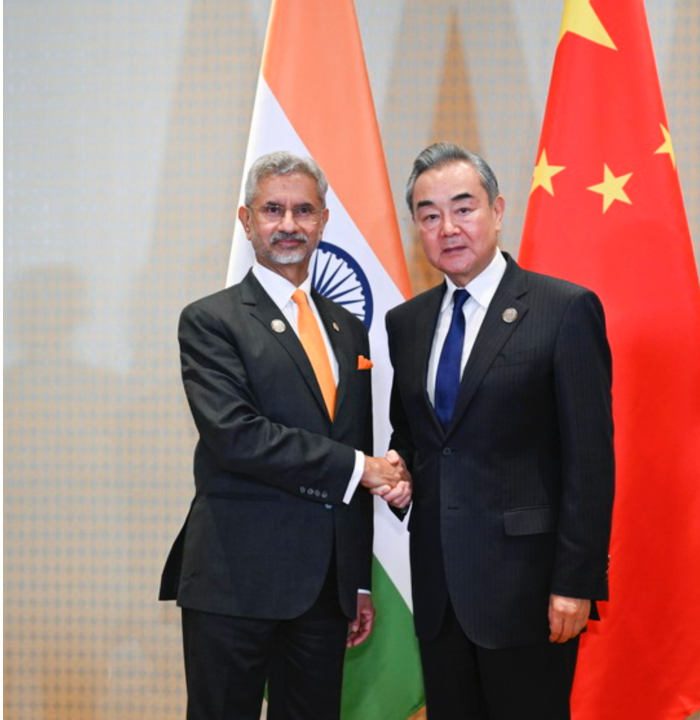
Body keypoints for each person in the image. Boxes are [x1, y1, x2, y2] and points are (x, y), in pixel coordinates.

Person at [159, 150, 411, 720]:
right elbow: (236, 435)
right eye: (273, 210)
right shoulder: (211, 320)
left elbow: (354, 434)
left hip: (323, 592)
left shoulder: (349, 330)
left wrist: (357, 584)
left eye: (303, 210)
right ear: (246, 221)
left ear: (324, 221)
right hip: (234, 582)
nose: (289, 225)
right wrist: (360, 468)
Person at [385, 143, 614, 719]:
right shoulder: (406, 323)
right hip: (439, 594)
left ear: (498, 210)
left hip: (530, 593)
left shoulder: (563, 310)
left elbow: (590, 462)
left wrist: (575, 582)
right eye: (429, 214)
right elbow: (412, 434)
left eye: (464, 208)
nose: (448, 227)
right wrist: (397, 471)